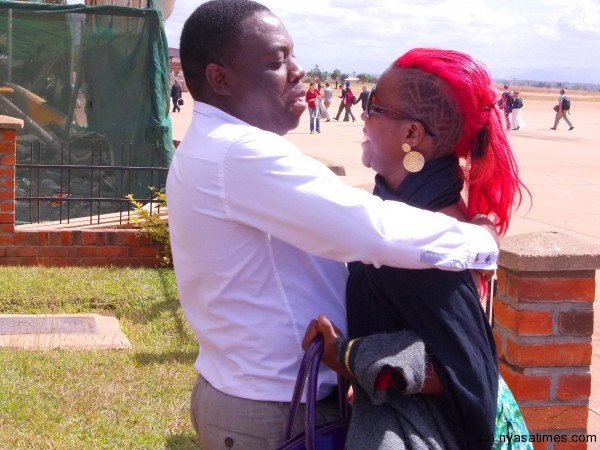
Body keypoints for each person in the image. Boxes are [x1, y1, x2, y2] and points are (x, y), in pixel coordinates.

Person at [167, 2, 499, 448]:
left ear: (413, 136)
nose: (298, 70)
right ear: (220, 78)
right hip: (269, 413)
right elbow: (371, 230)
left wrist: (349, 358)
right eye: (275, 60)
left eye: (292, 55)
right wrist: (480, 241)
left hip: (258, 401)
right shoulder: (239, 153)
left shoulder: (221, 147)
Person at [303, 48, 531, 449]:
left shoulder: (420, 239)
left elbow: (464, 364)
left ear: (411, 135)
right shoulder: (419, 216)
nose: (363, 115)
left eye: (374, 106)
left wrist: (347, 356)